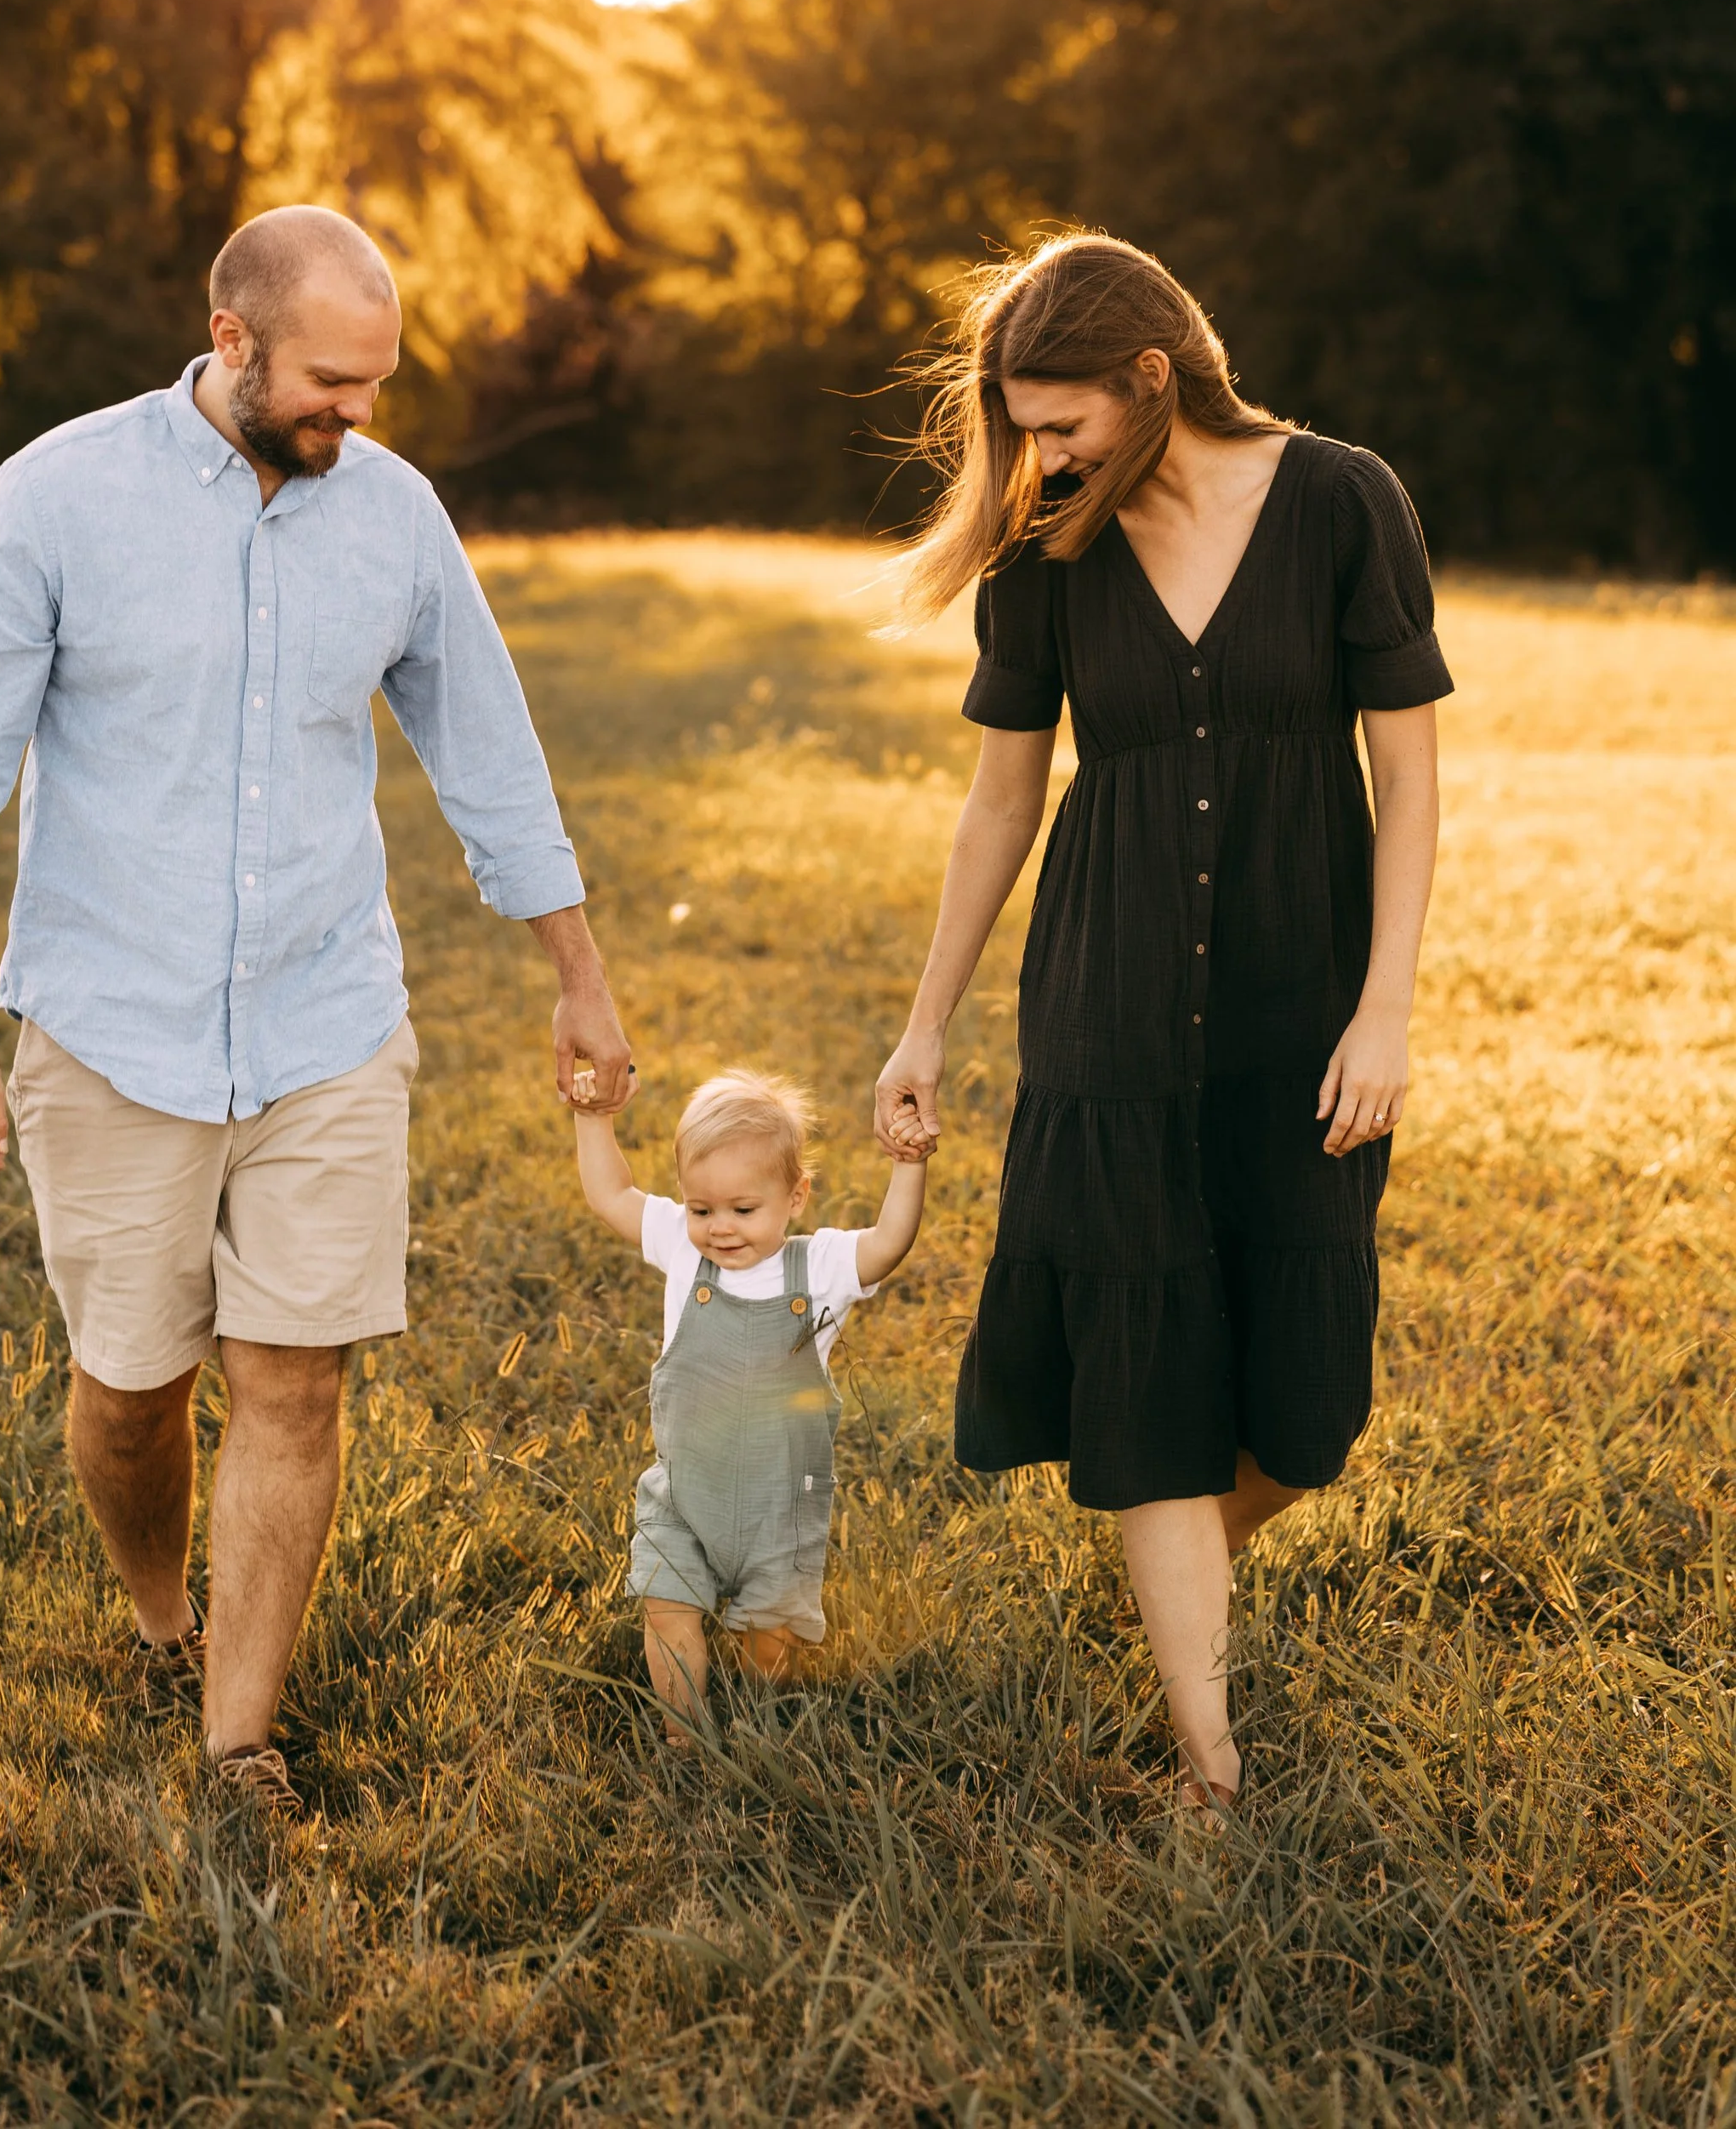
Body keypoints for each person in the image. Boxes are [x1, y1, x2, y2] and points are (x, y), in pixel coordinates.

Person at [0, 204, 633, 1819]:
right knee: (134, 1386)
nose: (357, 417)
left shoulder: (396, 514)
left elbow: (486, 751)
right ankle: (161, 1611)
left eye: (377, 385)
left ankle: (240, 1741)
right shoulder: (55, 499)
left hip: (325, 1019)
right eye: (331, 384)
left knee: (297, 1380)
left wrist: (578, 972)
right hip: (113, 1024)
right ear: (231, 345)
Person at [874, 231, 1448, 1813]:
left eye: (1060, 426)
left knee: (1309, 1403)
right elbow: (1004, 797)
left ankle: (1175, 1554)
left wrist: (1384, 1007)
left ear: (1151, 377)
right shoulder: (1042, 546)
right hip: (1105, 1008)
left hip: (1303, 1001)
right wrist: (927, 1026)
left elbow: (1408, 775)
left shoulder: (1343, 500)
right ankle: (1209, 1763)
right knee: (1146, 1373)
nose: (1038, 458)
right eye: (1022, 432)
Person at [572, 1063, 927, 1735]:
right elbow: (612, 1192)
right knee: (667, 1609)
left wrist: (908, 1165)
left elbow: (887, 1246)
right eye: (701, 1209)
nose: (720, 1228)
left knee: (771, 1646)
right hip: (685, 1497)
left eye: (743, 1209)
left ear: (796, 1196)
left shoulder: (815, 1269)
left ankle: (760, 1732)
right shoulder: (683, 1250)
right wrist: (593, 1119)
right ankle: (684, 1739)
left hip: (778, 1511)